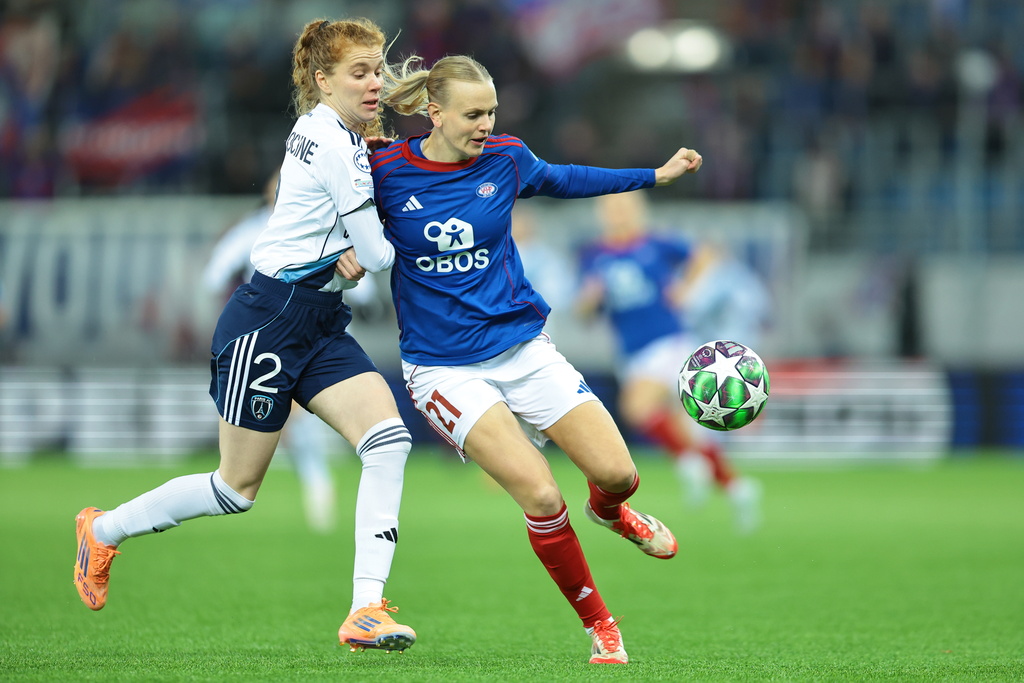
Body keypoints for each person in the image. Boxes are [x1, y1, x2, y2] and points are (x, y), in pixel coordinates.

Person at [73, 17, 417, 654]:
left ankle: (365, 608)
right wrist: (369, 248)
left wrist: (351, 253)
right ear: (322, 81)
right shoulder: (335, 143)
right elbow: (379, 251)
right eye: (359, 73)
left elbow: (353, 246)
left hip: (314, 318)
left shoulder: (332, 132)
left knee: (388, 440)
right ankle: (105, 530)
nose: (374, 84)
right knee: (236, 489)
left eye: (377, 71)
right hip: (269, 320)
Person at [367, 54, 701, 665]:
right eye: (473, 114)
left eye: (492, 111)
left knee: (619, 475)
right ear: (434, 113)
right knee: (543, 497)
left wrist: (655, 175)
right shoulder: (384, 169)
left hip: (522, 349)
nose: (485, 125)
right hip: (443, 369)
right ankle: (601, 626)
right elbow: (333, 209)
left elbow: (569, 178)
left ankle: (613, 513)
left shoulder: (506, 157)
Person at [576, 190, 762, 534]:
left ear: (638, 211)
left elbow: (705, 254)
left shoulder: (656, 244)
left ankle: (689, 463)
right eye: (611, 208)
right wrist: (590, 300)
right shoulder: (594, 255)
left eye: (624, 207)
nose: (617, 214)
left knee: (635, 408)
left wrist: (686, 289)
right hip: (630, 352)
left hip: (667, 341)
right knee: (683, 429)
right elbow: (584, 311)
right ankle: (737, 488)